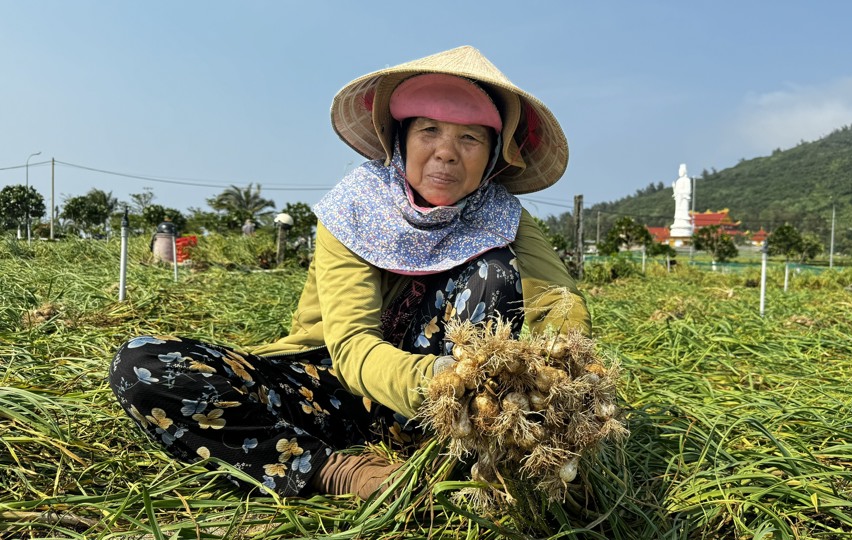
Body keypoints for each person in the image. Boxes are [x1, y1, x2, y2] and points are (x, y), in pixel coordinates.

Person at [109, 45, 590, 500]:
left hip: (442, 413)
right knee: (143, 364)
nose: (446, 152)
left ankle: (459, 450)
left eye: (469, 138)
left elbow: (557, 300)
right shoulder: (355, 208)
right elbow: (352, 345)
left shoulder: (502, 216)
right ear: (400, 141)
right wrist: (438, 380)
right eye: (429, 132)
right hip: (334, 384)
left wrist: (564, 376)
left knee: (494, 271)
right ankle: (331, 469)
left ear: (491, 157)